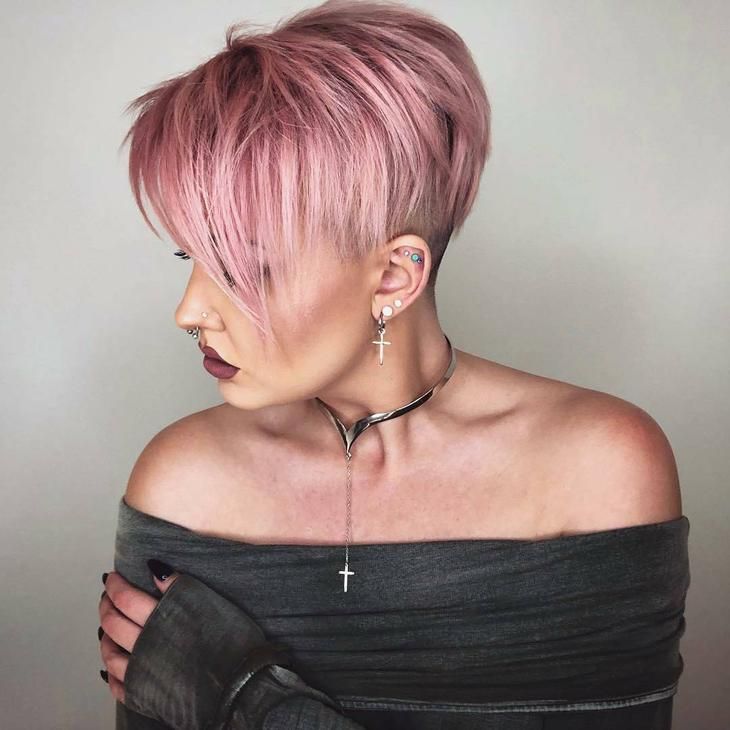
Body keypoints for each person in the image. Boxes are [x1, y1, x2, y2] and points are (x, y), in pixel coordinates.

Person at [98, 1, 691, 728]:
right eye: (190, 258)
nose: (189, 311)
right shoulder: (185, 482)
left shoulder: (597, 468)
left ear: (393, 276)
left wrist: (248, 701)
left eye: (245, 268)